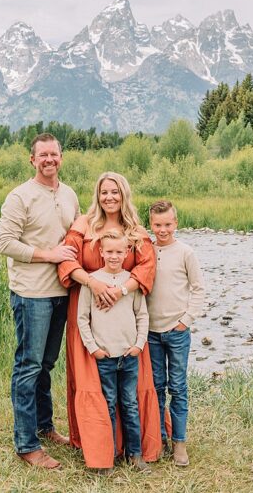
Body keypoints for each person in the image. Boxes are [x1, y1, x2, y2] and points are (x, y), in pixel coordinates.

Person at [58, 171, 163, 469]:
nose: (109, 197)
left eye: (115, 192)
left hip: (125, 316)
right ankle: (100, 447)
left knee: (130, 391)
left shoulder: (135, 230)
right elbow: (67, 262)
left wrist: (118, 291)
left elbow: (147, 267)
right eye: (104, 192)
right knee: (94, 382)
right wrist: (94, 284)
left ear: (124, 194)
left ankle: (134, 448)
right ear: (97, 194)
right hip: (90, 312)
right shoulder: (83, 225)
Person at [0, 133, 80, 470]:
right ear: (32, 160)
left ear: (61, 157)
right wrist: (49, 255)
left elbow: (77, 236)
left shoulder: (70, 194)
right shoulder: (20, 197)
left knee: (46, 365)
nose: (49, 159)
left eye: (54, 154)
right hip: (32, 295)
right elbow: (5, 243)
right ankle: (26, 444)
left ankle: (45, 427)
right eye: (42, 154)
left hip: (62, 293)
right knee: (28, 366)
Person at [76, 231, 151, 475]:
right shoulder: (92, 281)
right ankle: (107, 454)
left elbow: (142, 315)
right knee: (107, 405)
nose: (114, 256)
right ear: (100, 252)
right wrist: (93, 348)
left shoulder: (131, 282)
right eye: (109, 251)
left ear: (127, 253)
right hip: (105, 357)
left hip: (128, 355)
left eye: (119, 252)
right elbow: (82, 319)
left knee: (129, 404)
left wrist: (139, 344)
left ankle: (135, 454)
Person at [147, 200, 205, 466]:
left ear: (176, 223)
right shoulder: (146, 250)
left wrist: (186, 319)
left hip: (177, 330)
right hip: (151, 331)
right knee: (156, 386)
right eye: (158, 225)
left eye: (168, 224)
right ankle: (159, 437)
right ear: (151, 224)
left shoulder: (185, 252)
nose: (163, 230)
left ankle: (179, 442)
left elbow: (198, 288)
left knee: (178, 387)